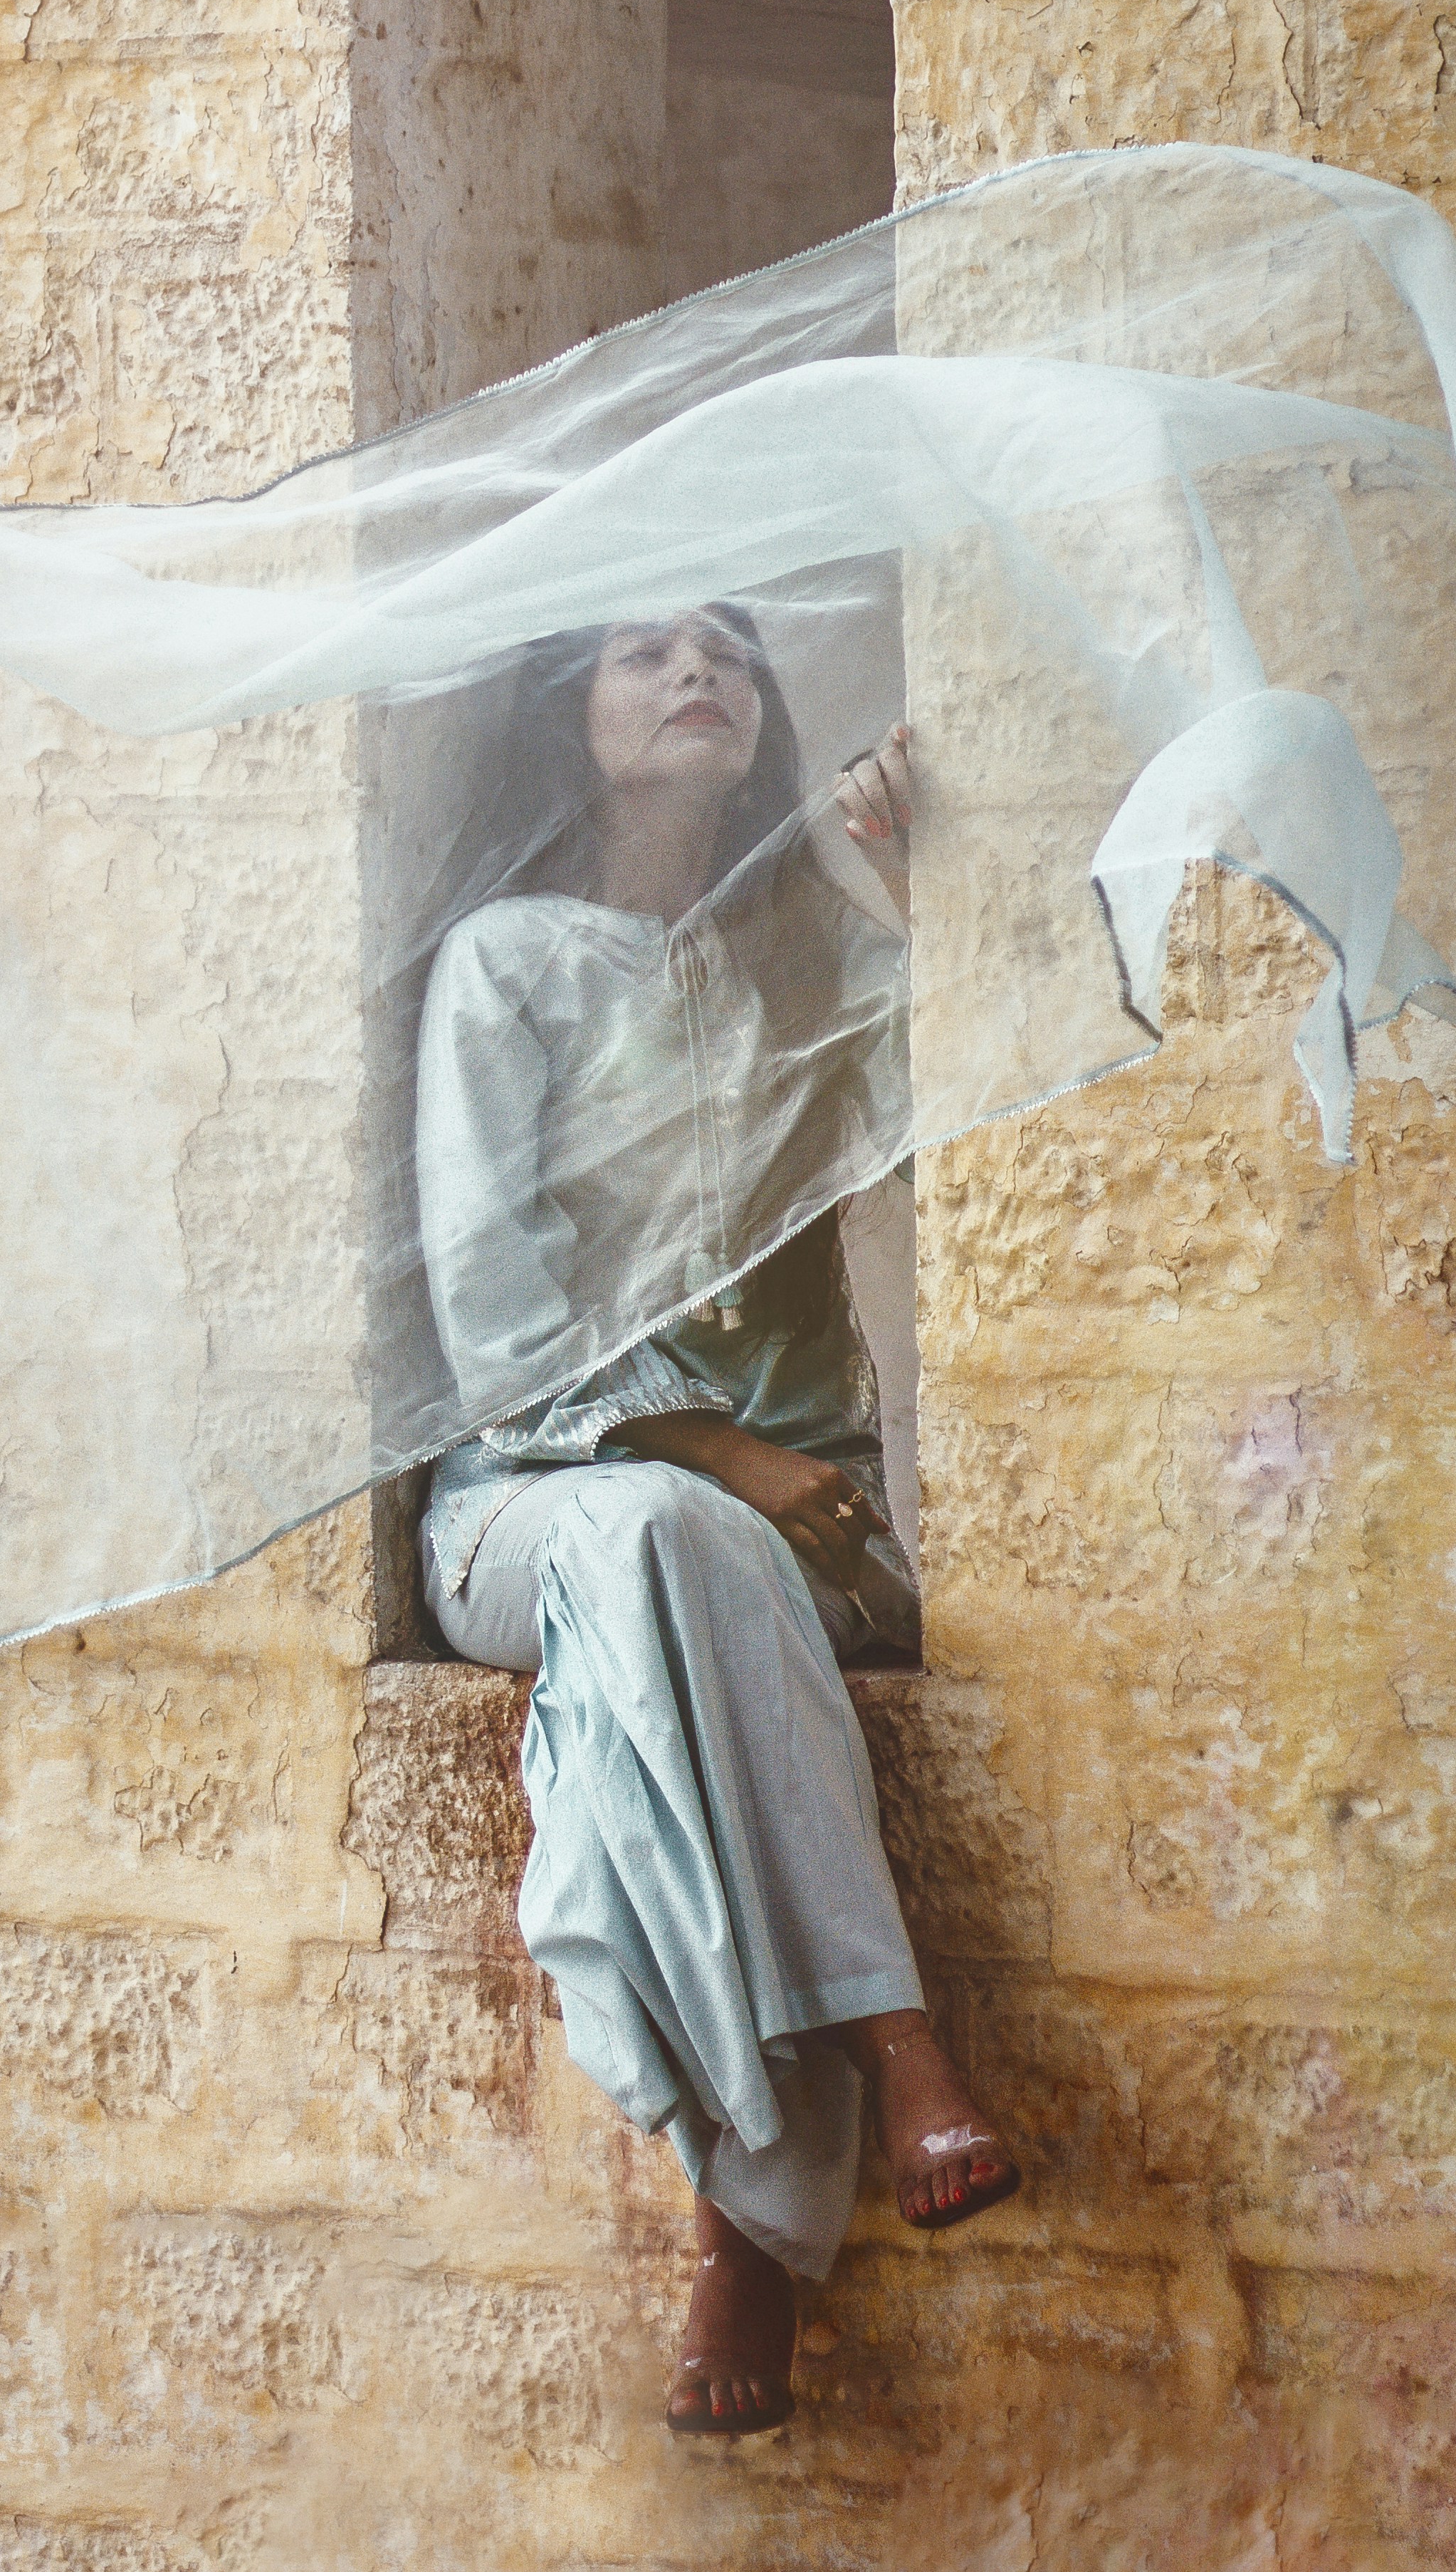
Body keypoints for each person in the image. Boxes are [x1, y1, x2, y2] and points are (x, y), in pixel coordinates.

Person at [412, 608, 1017, 2440]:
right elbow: (490, 1304)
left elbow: (956, 1133)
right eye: (641, 657)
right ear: (570, 720)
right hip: (531, 1507)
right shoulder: (502, 964)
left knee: (682, 1592)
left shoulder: (797, 956)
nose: (696, 676)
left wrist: (911, 893)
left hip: (795, 1538)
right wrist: (717, 1459)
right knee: (656, 1543)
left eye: (730, 658)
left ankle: (749, 2198)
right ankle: (892, 2052)